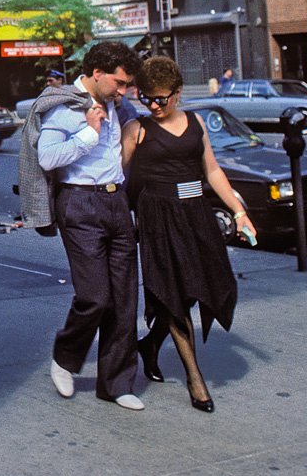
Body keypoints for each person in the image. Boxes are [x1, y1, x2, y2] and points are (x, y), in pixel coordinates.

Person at [123, 55, 255, 414]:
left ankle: (150, 345)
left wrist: (239, 212)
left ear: (177, 93)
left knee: (204, 285)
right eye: (145, 97)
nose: (152, 105)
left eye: (160, 98)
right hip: (158, 219)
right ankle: (195, 380)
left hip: (196, 216)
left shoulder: (196, 123)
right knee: (173, 295)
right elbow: (117, 179)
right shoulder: (137, 129)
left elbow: (211, 171)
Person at [36, 40, 144, 410]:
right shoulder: (65, 106)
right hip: (80, 203)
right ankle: (66, 358)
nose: (124, 90)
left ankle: (116, 383)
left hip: (116, 200)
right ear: (96, 74)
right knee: (95, 295)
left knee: (125, 296)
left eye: (127, 84)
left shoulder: (118, 104)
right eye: (119, 82)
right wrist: (88, 135)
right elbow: (47, 158)